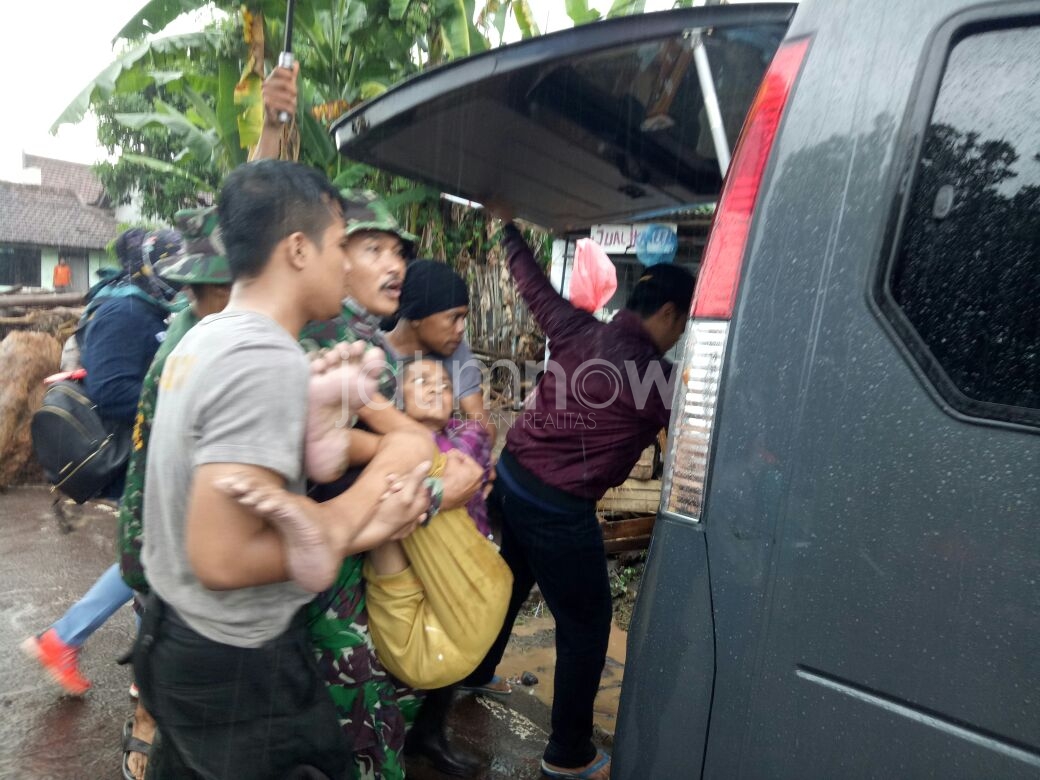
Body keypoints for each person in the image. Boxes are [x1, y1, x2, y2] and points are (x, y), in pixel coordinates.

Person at [133, 159, 434, 779]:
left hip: (177, 638)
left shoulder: (204, 337)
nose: (345, 265)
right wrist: (357, 514)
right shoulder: (262, 359)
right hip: (238, 665)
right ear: (298, 249)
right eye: (337, 246)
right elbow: (221, 558)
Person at [461, 214, 695, 780]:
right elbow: (704, 436)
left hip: (510, 479)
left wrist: (510, 231)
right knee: (587, 622)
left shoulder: (576, 328)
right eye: (682, 324)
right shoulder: (655, 377)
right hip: (556, 508)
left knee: (508, 585)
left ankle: (475, 670)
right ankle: (568, 754)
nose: (680, 335)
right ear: (667, 314)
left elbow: (532, 284)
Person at [299, 199, 486, 780]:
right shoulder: (326, 336)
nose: (395, 264)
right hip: (330, 564)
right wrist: (431, 477)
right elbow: (327, 451)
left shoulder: (361, 337)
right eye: (372, 248)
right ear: (327, 255)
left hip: (356, 557)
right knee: (354, 724)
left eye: (399, 251)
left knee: (373, 709)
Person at [21, 229, 182, 698]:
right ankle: (65, 640)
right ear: (149, 265)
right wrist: (182, 400)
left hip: (148, 451)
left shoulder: (151, 306)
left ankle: (119, 657)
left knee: (149, 552)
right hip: (127, 452)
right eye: (171, 263)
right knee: (150, 553)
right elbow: (113, 393)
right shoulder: (126, 309)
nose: (181, 274)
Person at [115, 206, 233, 780]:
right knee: (161, 628)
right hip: (166, 527)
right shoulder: (187, 349)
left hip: (173, 529)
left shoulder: (212, 331)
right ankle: (145, 726)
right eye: (214, 288)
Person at [385, 259, 496, 443]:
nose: (461, 329)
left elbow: (485, 429)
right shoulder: (372, 352)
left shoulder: (456, 352)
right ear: (416, 317)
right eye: (453, 318)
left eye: (463, 318)